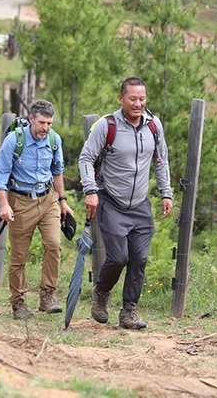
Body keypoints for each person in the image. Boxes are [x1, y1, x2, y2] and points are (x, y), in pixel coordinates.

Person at [79, 77, 173, 330]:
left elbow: (161, 160)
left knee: (140, 258)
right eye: (133, 98)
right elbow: (86, 158)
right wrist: (90, 190)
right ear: (121, 98)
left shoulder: (154, 126)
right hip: (111, 201)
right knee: (119, 257)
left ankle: (129, 311)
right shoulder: (106, 126)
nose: (138, 103)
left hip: (140, 204)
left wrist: (166, 193)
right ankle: (101, 292)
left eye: (142, 99)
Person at [0, 99, 73, 320]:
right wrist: (4, 204)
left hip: (48, 200)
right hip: (21, 201)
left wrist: (63, 200)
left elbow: (57, 171)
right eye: (42, 123)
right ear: (31, 120)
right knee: (19, 256)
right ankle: (18, 302)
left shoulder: (54, 140)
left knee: (54, 245)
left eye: (50, 123)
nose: (46, 128)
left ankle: (48, 295)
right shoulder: (14, 141)